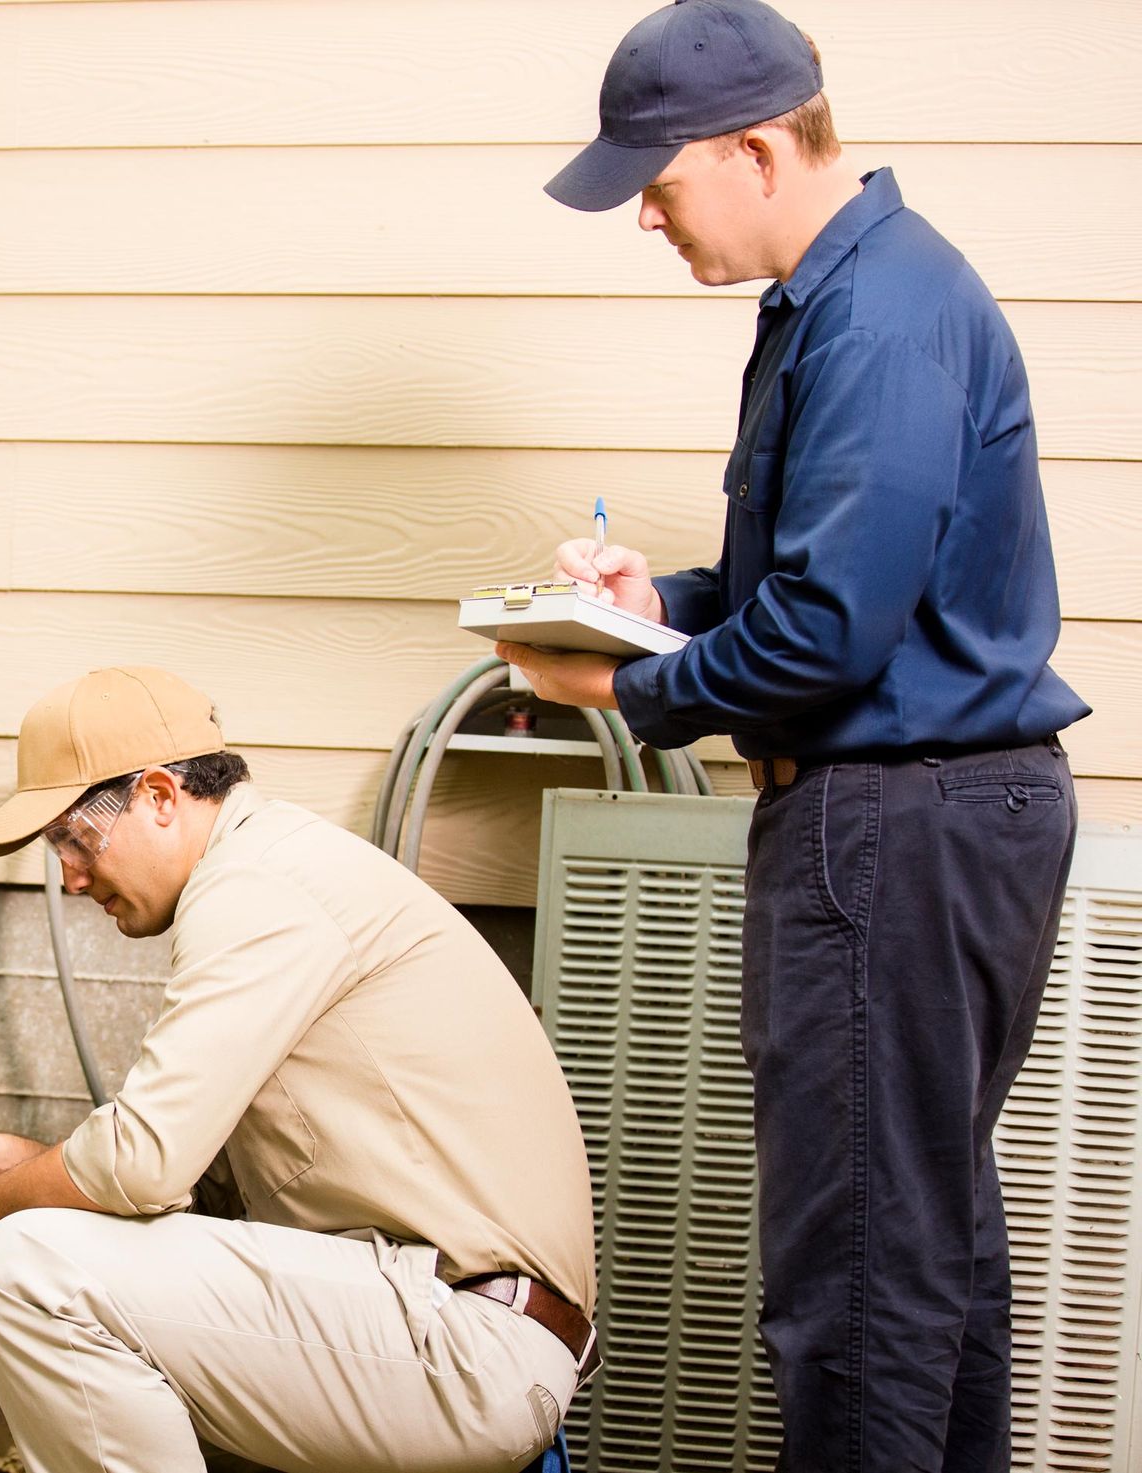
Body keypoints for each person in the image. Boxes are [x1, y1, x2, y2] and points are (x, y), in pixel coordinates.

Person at [505, 4, 1088, 1471]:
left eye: (659, 181)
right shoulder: (852, 296)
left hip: (891, 823)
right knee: (926, 1249)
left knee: (861, 1281)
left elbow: (829, 635)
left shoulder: (876, 318)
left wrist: (617, 690)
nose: (646, 215)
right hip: (943, 814)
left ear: (758, 150)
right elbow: (826, 582)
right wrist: (658, 606)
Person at [0, 664, 598, 1473]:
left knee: (32, 1269)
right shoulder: (271, 868)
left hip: (466, 1339)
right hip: (431, 1321)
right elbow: (176, 1193)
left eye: (74, 838)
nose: (70, 875)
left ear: (160, 796)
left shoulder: (260, 887)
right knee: (43, 1251)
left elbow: (140, 1163)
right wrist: (9, 1166)